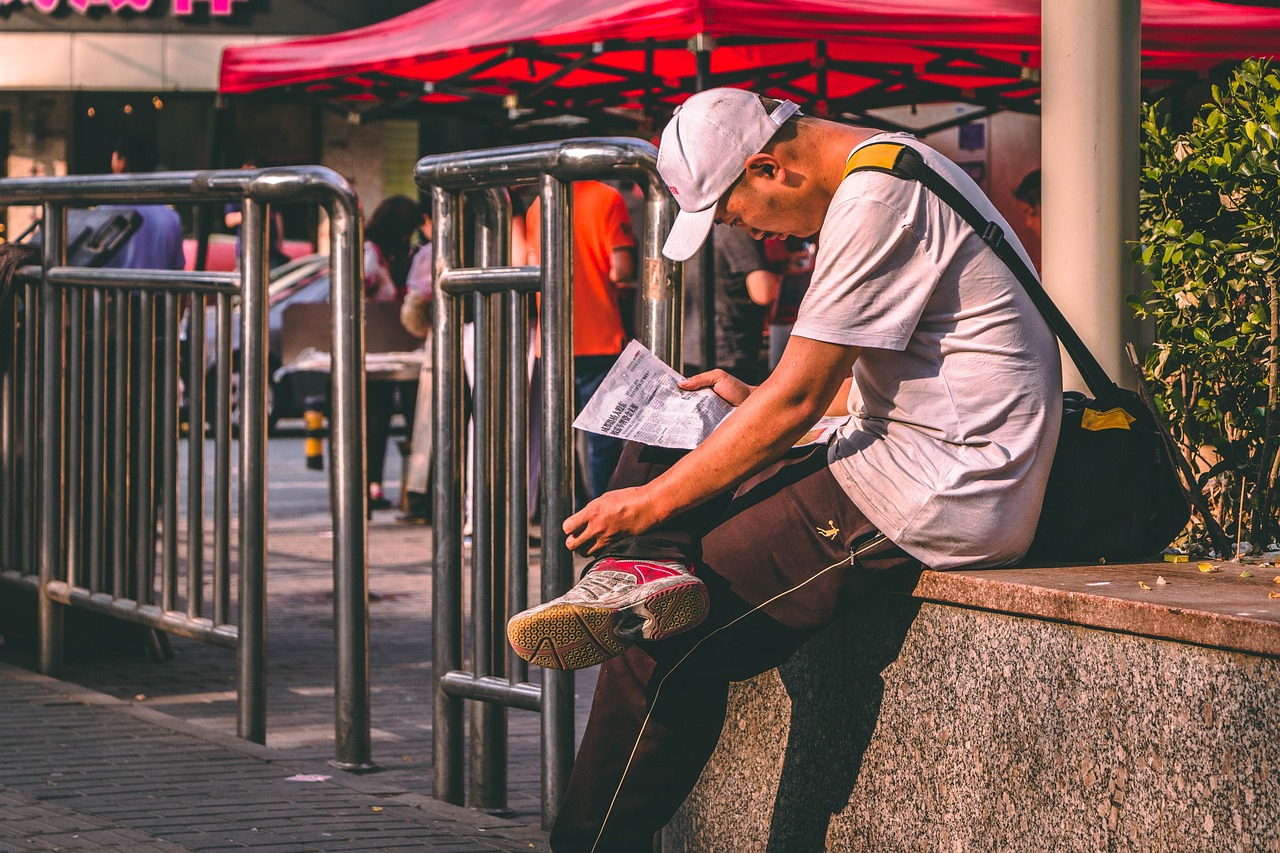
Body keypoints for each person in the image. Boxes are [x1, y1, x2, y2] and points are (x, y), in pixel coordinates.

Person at [506, 88, 1062, 851]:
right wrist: (741, 406)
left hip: (936, 488)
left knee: (655, 642)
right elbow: (863, 379)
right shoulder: (891, 166)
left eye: (737, 216)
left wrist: (646, 505)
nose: (746, 232)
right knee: (669, 425)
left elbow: (795, 399)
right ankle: (645, 567)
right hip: (902, 445)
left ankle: (588, 830)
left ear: (772, 168)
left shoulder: (877, 200)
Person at [525, 180, 636, 503]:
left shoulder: (539, 203)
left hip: (552, 340)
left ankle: (566, 515)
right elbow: (621, 269)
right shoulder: (609, 198)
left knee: (556, 437)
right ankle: (602, 516)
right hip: (600, 335)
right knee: (603, 439)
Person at [362, 194, 420, 510]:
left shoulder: (404, 253)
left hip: (404, 342)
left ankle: (412, 488)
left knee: (410, 414)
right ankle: (373, 486)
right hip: (377, 342)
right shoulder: (369, 251)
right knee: (376, 415)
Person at [709, 222, 780, 385]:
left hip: (693, 348)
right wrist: (777, 279)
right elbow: (763, 292)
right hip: (730, 351)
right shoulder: (734, 227)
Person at [223, 156, 290, 270]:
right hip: (247, 250)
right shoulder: (236, 194)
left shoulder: (268, 192)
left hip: (270, 250)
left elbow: (277, 217)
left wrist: (280, 243)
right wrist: (252, 214)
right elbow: (229, 220)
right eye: (247, 171)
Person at [765, 235, 816, 371]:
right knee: (779, 370)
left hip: (807, 320)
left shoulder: (815, 243)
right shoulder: (773, 241)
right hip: (781, 319)